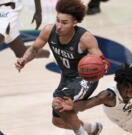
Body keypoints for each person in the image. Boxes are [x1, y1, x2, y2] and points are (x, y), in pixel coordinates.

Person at [15, 0, 109, 135]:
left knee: (60, 101)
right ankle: (92, 128)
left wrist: (103, 65)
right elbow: (34, 49)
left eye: (64, 23)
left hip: (84, 78)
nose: (59, 26)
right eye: (58, 20)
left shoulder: (85, 38)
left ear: (75, 22)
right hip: (67, 77)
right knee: (58, 121)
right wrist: (24, 59)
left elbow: (101, 61)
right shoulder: (49, 30)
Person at [53, 63, 132, 135]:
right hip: (127, 122)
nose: (129, 93)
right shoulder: (109, 96)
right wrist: (73, 106)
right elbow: (87, 104)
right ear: (119, 84)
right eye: (125, 89)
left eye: (131, 89)